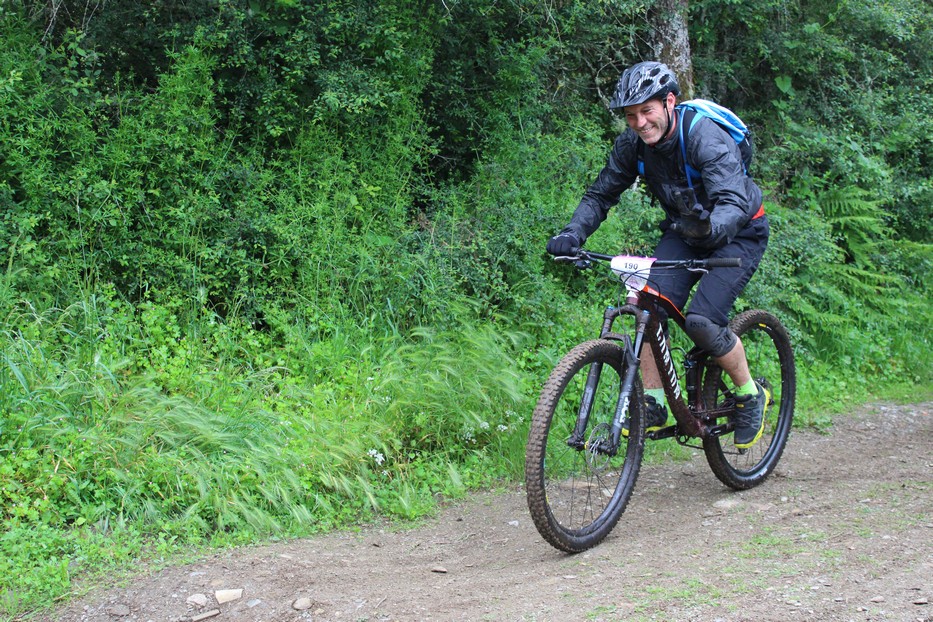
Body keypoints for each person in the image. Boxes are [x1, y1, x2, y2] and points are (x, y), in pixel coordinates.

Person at [545, 61, 770, 448]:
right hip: (686, 231)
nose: (639, 123)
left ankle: (751, 394)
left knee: (702, 321)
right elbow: (600, 195)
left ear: (669, 102)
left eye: (646, 111)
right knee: (648, 306)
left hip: (740, 232)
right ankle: (653, 401)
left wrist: (710, 229)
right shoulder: (632, 145)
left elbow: (733, 201)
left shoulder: (703, 137)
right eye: (631, 115)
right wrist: (572, 232)